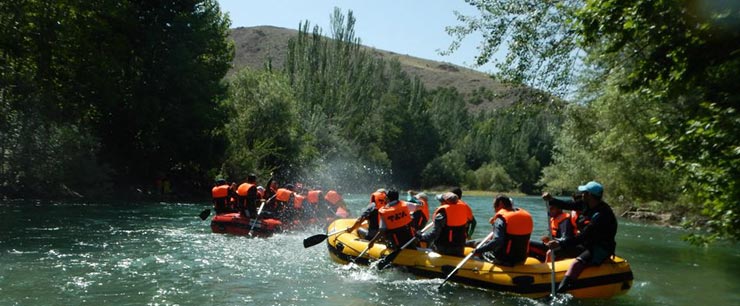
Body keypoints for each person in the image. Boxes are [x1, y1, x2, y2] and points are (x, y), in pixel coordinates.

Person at [544, 181, 618, 294]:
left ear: (590, 195)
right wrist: (551, 199)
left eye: (584, 192)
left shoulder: (602, 215)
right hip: (587, 243)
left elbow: (583, 237)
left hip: (600, 247)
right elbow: (567, 205)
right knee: (554, 252)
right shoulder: (585, 204)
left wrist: (560, 243)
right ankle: (546, 281)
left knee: (576, 264)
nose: (581, 194)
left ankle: (560, 293)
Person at [473, 195, 534, 266]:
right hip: (522, 258)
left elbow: (497, 241)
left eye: (494, 206)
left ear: (501, 204)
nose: (494, 209)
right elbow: (512, 232)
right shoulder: (527, 216)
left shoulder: (501, 219)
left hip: (504, 259)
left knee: (481, 248)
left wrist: (479, 250)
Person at [418, 192, 475, 257]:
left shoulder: (442, 214)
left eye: (441, 201)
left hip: (444, 248)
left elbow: (435, 234)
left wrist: (421, 237)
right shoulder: (463, 209)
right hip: (460, 248)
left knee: (425, 241)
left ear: (445, 203)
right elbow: (472, 222)